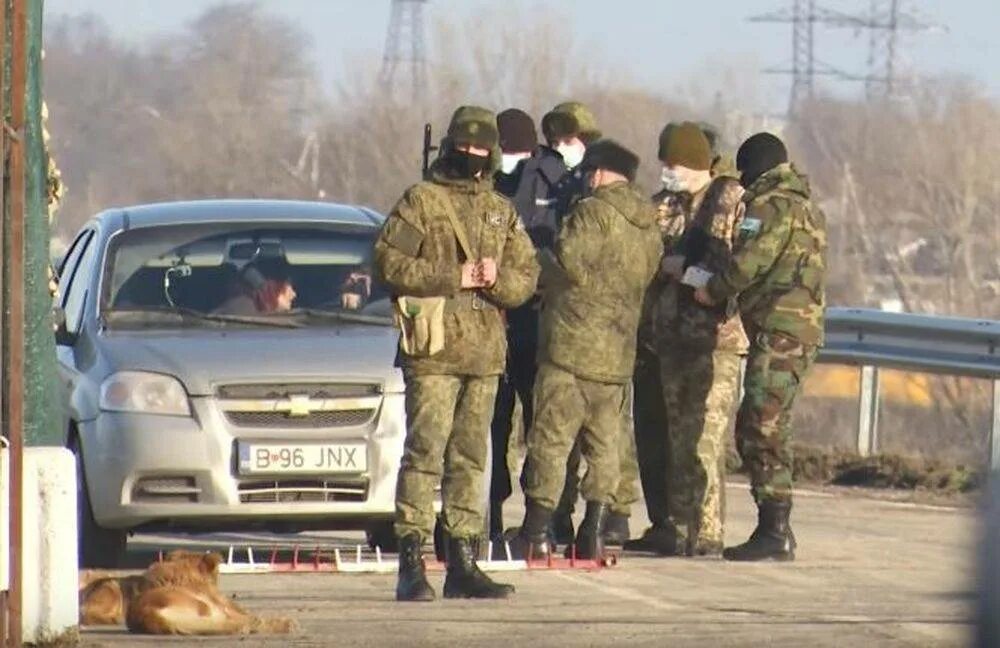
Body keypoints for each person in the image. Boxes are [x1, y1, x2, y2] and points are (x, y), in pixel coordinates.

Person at [374, 105, 539, 600]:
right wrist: (454, 277)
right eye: (464, 147)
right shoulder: (421, 202)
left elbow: (527, 275)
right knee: (424, 454)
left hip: (486, 353)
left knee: (471, 459)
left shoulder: (500, 210)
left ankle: (464, 562)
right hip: (434, 352)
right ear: (449, 148)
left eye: (480, 149)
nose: (472, 156)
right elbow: (388, 261)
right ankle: (411, 562)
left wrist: (497, 281)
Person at [509, 139, 662, 561]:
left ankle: (537, 531)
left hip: (571, 348)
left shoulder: (591, 213)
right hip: (616, 354)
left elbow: (566, 264)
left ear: (598, 173)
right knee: (605, 446)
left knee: (551, 442)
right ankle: (593, 530)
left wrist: (531, 260)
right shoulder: (647, 224)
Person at [694, 132, 826, 561]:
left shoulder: (769, 206)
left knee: (761, 425)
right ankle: (775, 527)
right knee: (769, 421)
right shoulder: (809, 207)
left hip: (779, 330)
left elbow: (749, 263)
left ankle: (775, 530)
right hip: (798, 330)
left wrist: (710, 290)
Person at [631, 122, 749, 557]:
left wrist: (691, 272)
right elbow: (644, 252)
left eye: (674, 163)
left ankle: (708, 529)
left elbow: (742, 264)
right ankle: (677, 525)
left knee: (705, 438)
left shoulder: (731, 201)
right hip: (669, 336)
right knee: (675, 437)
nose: (668, 171)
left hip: (716, 338)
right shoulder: (663, 206)